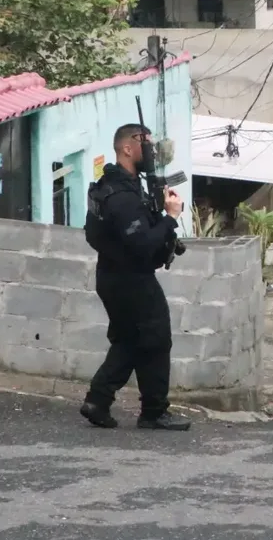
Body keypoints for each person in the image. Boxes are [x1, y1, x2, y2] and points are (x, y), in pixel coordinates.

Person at [80, 124, 190, 431]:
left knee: (129, 339)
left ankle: (97, 400)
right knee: (155, 340)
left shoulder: (111, 186)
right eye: (147, 145)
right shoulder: (122, 197)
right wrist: (170, 218)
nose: (152, 152)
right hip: (131, 279)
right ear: (128, 148)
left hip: (112, 275)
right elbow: (142, 244)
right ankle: (154, 412)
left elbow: (96, 235)